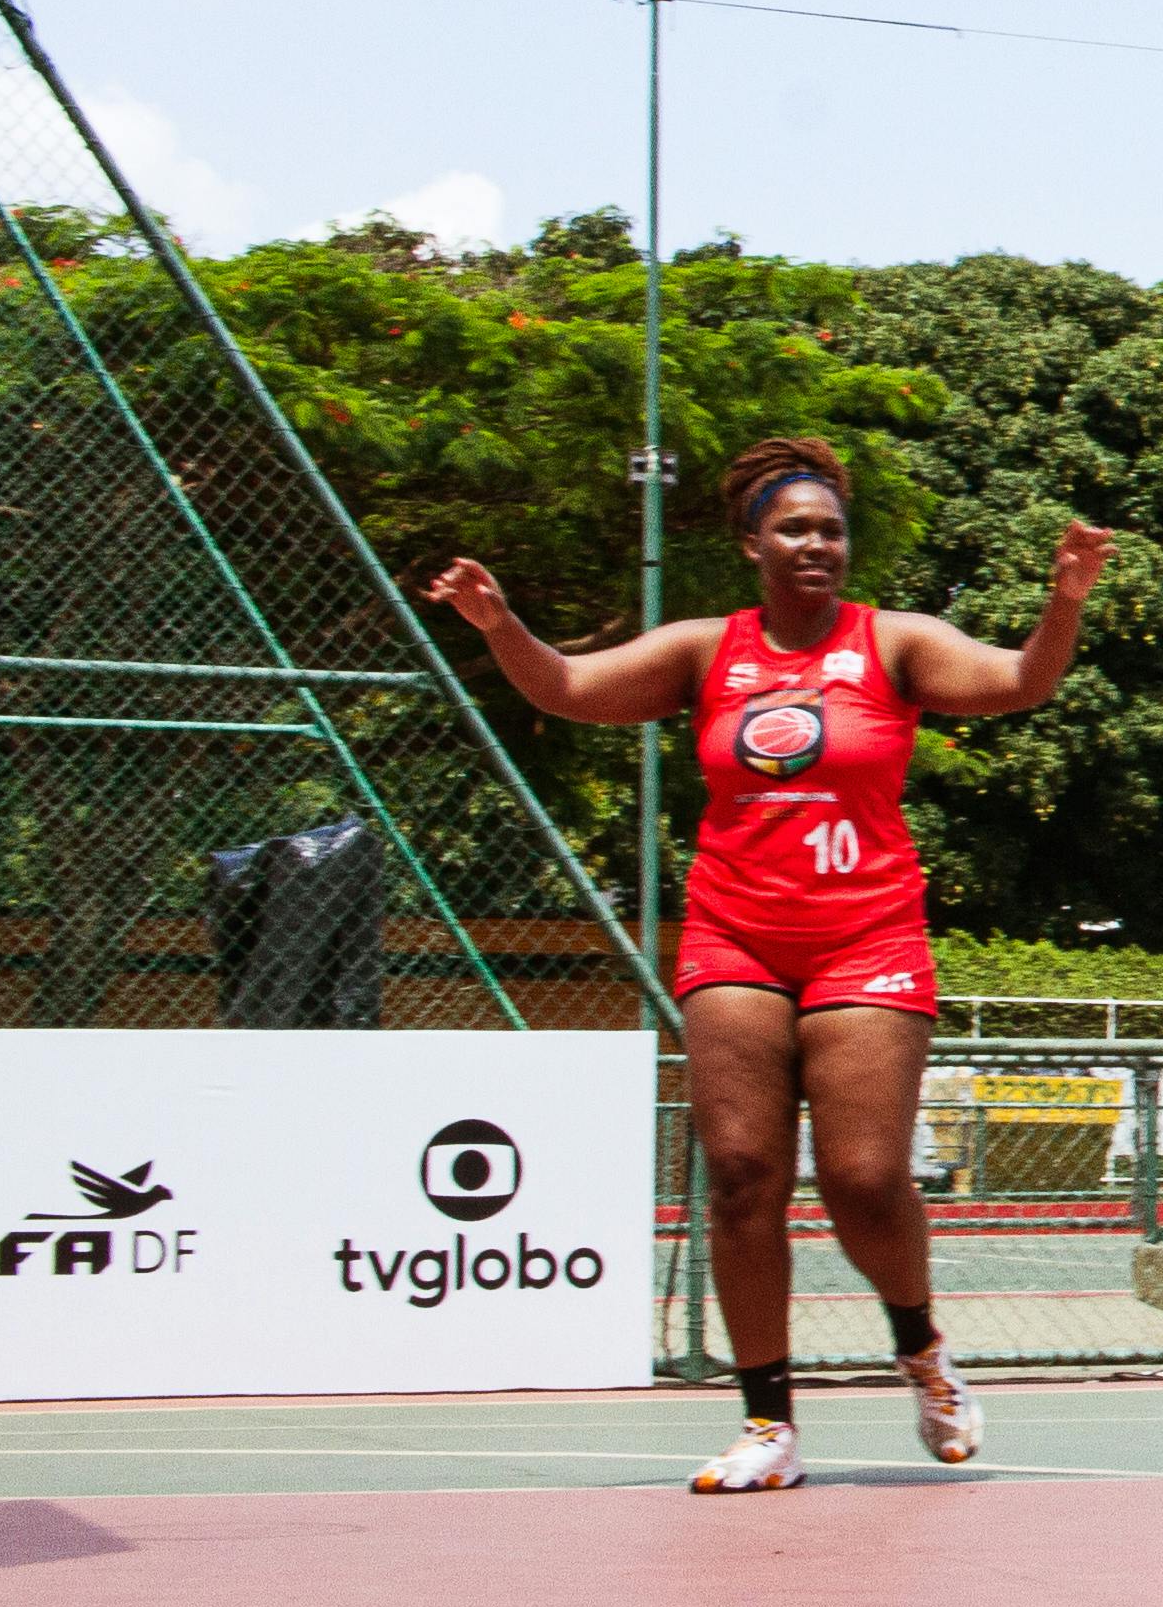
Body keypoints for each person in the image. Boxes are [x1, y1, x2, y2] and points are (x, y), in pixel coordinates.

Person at [422, 437, 1109, 1493]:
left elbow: (1021, 680)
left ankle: (921, 1349)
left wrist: (1061, 602)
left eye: (831, 528)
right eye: (794, 527)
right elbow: (562, 686)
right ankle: (767, 1422)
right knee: (742, 1174)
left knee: (864, 1178)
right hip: (736, 937)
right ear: (752, 543)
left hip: (865, 934)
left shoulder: (896, 645)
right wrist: (497, 622)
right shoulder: (707, 651)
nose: (816, 544)